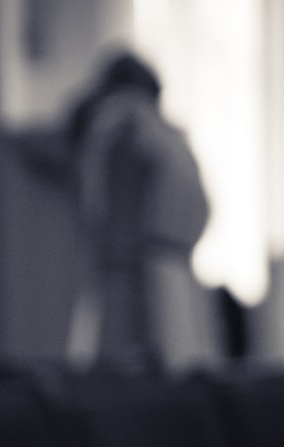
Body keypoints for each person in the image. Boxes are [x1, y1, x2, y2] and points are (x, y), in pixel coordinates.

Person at [64, 51, 217, 371]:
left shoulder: (125, 124)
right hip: (159, 264)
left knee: (130, 376)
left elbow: (98, 206)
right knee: (174, 370)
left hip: (138, 268)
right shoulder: (148, 129)